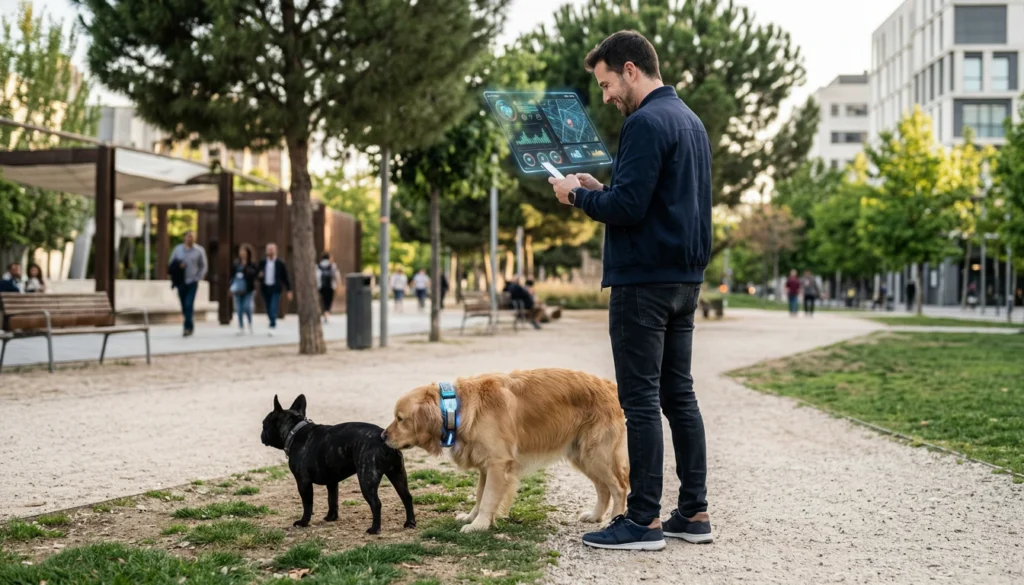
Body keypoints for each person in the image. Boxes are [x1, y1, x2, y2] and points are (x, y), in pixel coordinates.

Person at [547, 30, 713, 551]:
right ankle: (694, 511)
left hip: (643, 281)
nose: (605, 96)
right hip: (685, 280)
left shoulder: (643, 122)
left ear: (630, 70)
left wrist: (577, 197)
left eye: (605, 84)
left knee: (639, 400)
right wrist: (601, 188)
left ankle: (641, 521)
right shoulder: (691, 122)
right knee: (678, 395)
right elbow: (643, 194)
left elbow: (630, 209)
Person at [169, 231, 208, 337]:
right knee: (183, 305)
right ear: (184, 238)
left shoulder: (199, 251)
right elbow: (171, 264)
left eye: (191, 237)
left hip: (192, 281)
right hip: (181, 281)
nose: (189, 239)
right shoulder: (178, 250)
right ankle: (189, 323)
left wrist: (198, 277)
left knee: (189, 303)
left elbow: (203, 266)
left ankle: (187, 327)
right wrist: (178, 266)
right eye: (187, 236)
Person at [257, 243, 291, 336]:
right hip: (265, 287)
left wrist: (289, 290)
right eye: (269, 249)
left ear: (276, 251)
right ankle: (271, 319)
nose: (270, 251)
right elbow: (257, 275)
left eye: (272, 249)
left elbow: (285, 277)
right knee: (267, 307)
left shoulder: (280, 263)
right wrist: (259, 276)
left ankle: (272, 324)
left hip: (276, 288)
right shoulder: (263, 263)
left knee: (273, 306)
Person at [231, 244, 258, 335]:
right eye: (241, 252)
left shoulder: (252, 264)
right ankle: (241, 326)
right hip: (237, 288)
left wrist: (246, 269)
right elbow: (232, 276)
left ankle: (250, 323)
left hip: (248, 289)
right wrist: (231, 287)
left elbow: (254, 275)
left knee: (247, 307)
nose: (242, 253)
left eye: (244, 252)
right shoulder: (236, 263)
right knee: (239, 308)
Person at [317, 252, 341, 322]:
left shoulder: (319, 265)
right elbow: (336, 275)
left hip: (321, 286)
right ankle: (327, 313)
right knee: (329, 300)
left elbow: (317, 276)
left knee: (323, 300)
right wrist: (338, 284)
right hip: (330, 286)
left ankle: (324, 312)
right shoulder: (332, 265)